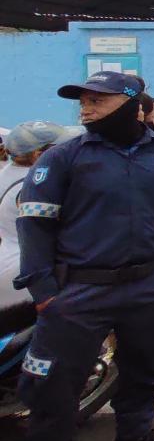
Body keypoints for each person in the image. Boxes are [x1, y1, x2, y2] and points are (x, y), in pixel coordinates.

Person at [15, 72, 154, 441]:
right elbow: (34, 225)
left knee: (146, 373)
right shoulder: (63, 157)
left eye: (97, 100)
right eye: (83, 102)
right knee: (52, 385)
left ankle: (136, 436)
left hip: (151, 285)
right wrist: (44, 291)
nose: (86, 110)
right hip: (80, 290)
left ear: (132, 105)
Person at [0, 122, 82, 312]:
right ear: (39, 154)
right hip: (28, 273)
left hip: (11, 262)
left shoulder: (8, 174)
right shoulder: (34, 185)